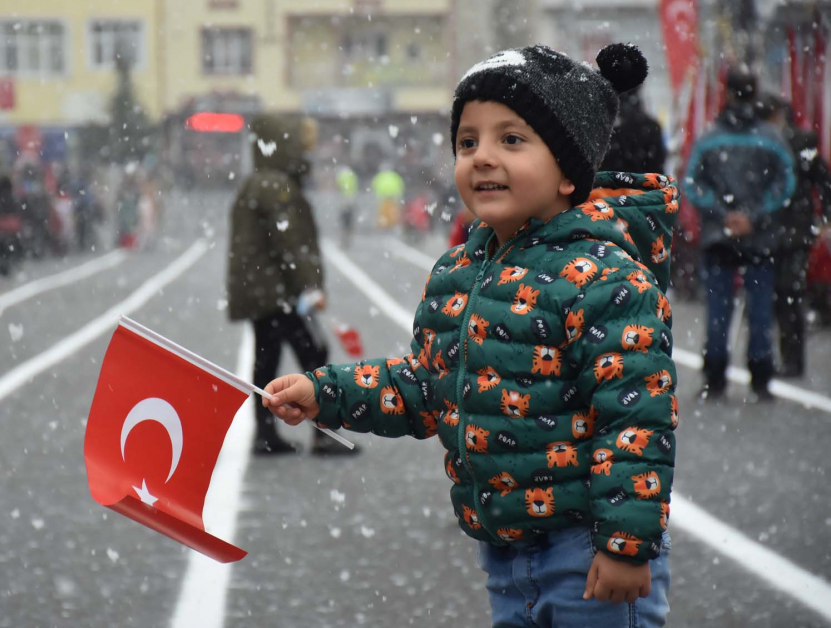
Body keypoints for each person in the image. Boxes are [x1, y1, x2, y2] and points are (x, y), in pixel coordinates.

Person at [263, 44, 678, 626]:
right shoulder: (458, 273)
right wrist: (325, 393)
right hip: (505, 556)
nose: (482, 157)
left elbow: (633, 418)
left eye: (511, 140)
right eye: (467, 142)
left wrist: (625, 547)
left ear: (568, 172)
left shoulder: (606, 276)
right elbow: (428, 386)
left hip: (587, 551)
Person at [227, 114, 359, 457]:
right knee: (315, 354)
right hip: (279, 293)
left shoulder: (256, 183)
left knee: (265, 362)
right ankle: (324, 432)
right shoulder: (278, 186)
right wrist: (310, 287)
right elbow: (292, 244)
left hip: (261, 293)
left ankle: (265, 434)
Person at [684, 67, 796, 400]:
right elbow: (785, 184)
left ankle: (715, 375)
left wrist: (722, 213)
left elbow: (692, 183)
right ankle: (761, 376)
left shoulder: (710, 137)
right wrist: (756, 216)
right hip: (760, 238)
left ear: (728, 93)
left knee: (719, 309)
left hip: (719, 236)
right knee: (760, 310)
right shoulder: (771, 138)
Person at [759, 95, 831, 377]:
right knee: (786, 295)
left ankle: (788, 358)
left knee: (784, 294)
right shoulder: (795, 143)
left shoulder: (794, 143)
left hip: (783, 229)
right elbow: (824, 181)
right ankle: (788, 356)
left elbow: (823, 181)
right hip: (789, 228)